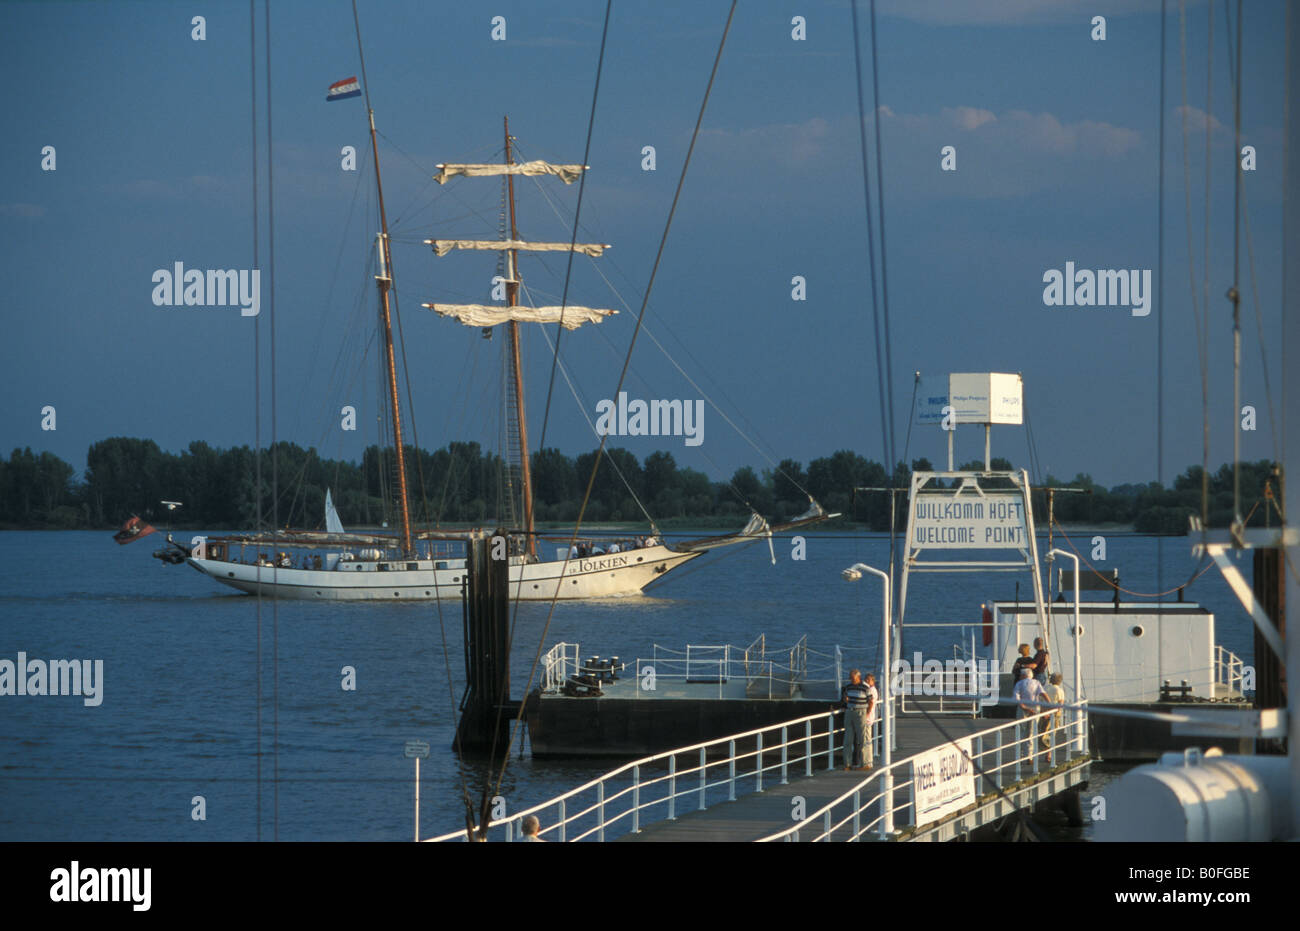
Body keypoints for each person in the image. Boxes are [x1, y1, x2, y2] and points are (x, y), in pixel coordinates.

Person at [835, 669, 876, 771]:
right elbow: (845, 698)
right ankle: (847, 764)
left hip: (861, 712)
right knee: (848, 739)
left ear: (858, 677)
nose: (851, 679)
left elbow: (871, 701)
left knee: (863, 739)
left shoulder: (865, 687)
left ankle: (865, 763)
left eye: (852, 677)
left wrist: (867, 713)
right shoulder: (848, 687)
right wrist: (846, 701)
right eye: (850, 677)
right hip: (850, 712)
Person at [1012, 667, 1049, 758]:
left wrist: (1025, 708)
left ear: (1024, 675)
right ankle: (1030, 755)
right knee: (1031, 732)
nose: (1020, 676)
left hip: (1023, 709)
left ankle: (1022, 753)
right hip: (1035, 708)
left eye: (1021, 675)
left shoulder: (1019, 684)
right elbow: (1043, 694)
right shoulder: (1036, 683)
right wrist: (1049, 704)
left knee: (1022, 731)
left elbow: (1017, 699)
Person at [1045, 672, 1066, 753]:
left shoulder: (1045, 687)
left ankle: (1046, 751)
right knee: (1052, 733)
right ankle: (1049, 753)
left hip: (1044, 712)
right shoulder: (1059, 690)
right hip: (1054, 713)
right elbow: (1060, 703)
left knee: (1044, 732)